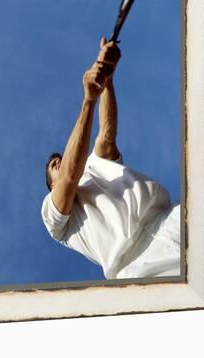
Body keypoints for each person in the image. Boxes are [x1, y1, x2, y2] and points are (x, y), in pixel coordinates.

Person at [41, 37, 180, 279]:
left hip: (172, 219)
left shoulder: (95, 164)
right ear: (52, 184)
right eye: (53, 166)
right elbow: (69, 177)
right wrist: (88, 101)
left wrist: (106, 78)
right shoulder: (54, 218)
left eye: (59, 158)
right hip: (140, 268)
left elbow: (106, 134)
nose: (58, 161)